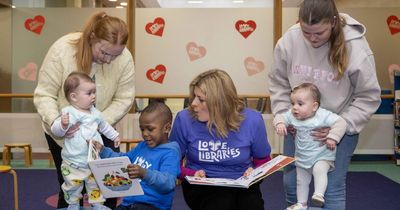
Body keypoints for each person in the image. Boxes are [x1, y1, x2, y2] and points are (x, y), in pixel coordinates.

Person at [268, 0, 381, 209]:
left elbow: (368, 95)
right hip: (300, 126)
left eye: (319, 33)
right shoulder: (289, 40)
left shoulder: (355, 46)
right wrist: (287, 115)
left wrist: (339, 127)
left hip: (338, 127)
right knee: (292, 183)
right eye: (306, 31)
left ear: (333, 22)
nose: (312, 38)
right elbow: (278, 82)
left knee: (331, 187)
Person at [33, 11, 135, 209]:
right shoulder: (62, 49)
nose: (108, 60)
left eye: (116, 55)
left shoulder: (124, 59)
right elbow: (45, 94)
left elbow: (124, 98)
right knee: (71, 186)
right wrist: (58, 122)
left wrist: (95, 123)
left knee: (111, 185)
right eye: (104, 52)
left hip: (102, 127)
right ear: (92, 38)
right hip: (63, 132)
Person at [169, 69, 272, 210]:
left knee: (251, 205)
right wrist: (190, 174)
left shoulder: (252, 120)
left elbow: (263, 161)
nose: (193, 103)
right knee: (221, 202)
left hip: (241, 182)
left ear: (220, 102)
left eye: (201, 99)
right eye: (194, 96)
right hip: (202, 186)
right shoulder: (184, 119)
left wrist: (254, 172)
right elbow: (171, 162)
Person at [51, 72, 121, 210]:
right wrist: (63, 126)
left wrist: (114, 136)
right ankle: (73, 205)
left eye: (94, 92)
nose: (93, 96)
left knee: (95, 185)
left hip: (93, 161)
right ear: (74, 97)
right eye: (89, 93)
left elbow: (104, 126)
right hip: (73, 163)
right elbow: (55, 130)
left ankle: (98, 205)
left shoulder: (95, 113)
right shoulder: (69, 113)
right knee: (72, 187)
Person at [92, 102, 181, 210]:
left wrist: (144, 173)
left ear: (166, 128)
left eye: (150, 129)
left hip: (152, 206)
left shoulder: (171, 153)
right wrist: (103, 150)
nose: (145, 134)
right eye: (142, 129)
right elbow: (123, 160)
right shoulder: (142, 146)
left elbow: (168, 183)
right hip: (128, 204)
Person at [273, 83, 347, 210]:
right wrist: (280, 123)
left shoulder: (323, 115)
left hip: (322, 156)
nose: (295, 107)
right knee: (301, 180)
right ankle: (302, 203)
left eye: (300, 104)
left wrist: (333, 137)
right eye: (292, 103)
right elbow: (280, 116)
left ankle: (319, 194)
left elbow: (341, 122)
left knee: (319, 170)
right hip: (302, 157)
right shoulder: (292, 115)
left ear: (314, 106)